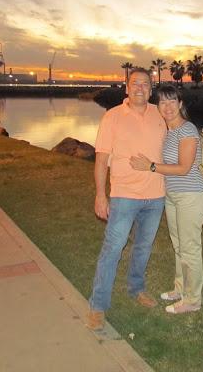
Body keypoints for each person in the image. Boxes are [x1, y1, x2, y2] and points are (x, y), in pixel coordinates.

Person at [86, 68, 167, 331]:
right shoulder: (112, 117)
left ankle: (136, 289)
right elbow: (101, 160)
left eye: (146, 84)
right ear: (127, 88)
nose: (140, 88)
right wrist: (101, 194)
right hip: (124, 196)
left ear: (151, 89)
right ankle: (98, 306)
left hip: (155, 196)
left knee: (143, 248)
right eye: (135, 83)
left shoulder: (161, 114)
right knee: (113, 250)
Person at [130, 84, 203, 314]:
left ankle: (193, 300)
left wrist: (151, 167)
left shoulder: (187, 130)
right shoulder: (168, 132)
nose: (167, 107)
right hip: (173, 195)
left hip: (191, 195)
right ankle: (180, 288)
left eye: (172, 101)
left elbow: (184, 168)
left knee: (190, 248)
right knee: (178, 246)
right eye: (162, 102)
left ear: (180, 104)